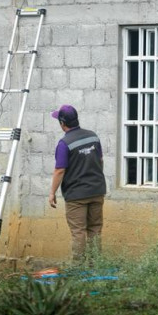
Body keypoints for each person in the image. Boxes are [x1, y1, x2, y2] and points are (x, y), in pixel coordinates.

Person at [48, 105, 107, 262]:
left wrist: (52, 192)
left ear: (62, 123)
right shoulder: (93, 136)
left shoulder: (64, 143)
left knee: (78, 231)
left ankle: (78, 270)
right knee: (95, 229)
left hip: (76, 196)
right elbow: (100, 161)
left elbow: (60, 170)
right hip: (97, 191)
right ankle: (95, 267)